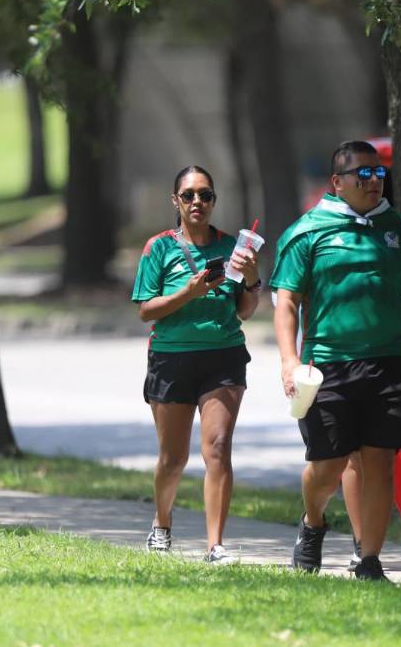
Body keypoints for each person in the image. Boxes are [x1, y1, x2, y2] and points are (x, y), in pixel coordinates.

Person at [271, 140, 401, 581]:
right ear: (337, 182)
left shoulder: (400, 230)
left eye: (378, 173)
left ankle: (368, 560)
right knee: (327, 466)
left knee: (380, 462)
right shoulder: (307, 231)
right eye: (362, 175)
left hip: (387, 363)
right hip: (328, 366)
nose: (373, 181)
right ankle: (313, 522)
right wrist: (289, 361)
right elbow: (287, 302)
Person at [132, 165, 263, 564]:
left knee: (219, 449)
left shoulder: (231, 248)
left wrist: (253, 280)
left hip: (222, 355)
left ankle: (215, 545)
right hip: (172, 358)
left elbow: (244, 311)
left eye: (205, 195)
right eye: (188, 195)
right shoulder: (159, 248)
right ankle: (162, 523)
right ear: (176, 201)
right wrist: (189, 293)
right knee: (173, 459)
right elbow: (145, 310)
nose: (197, 202)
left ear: (213, 202)